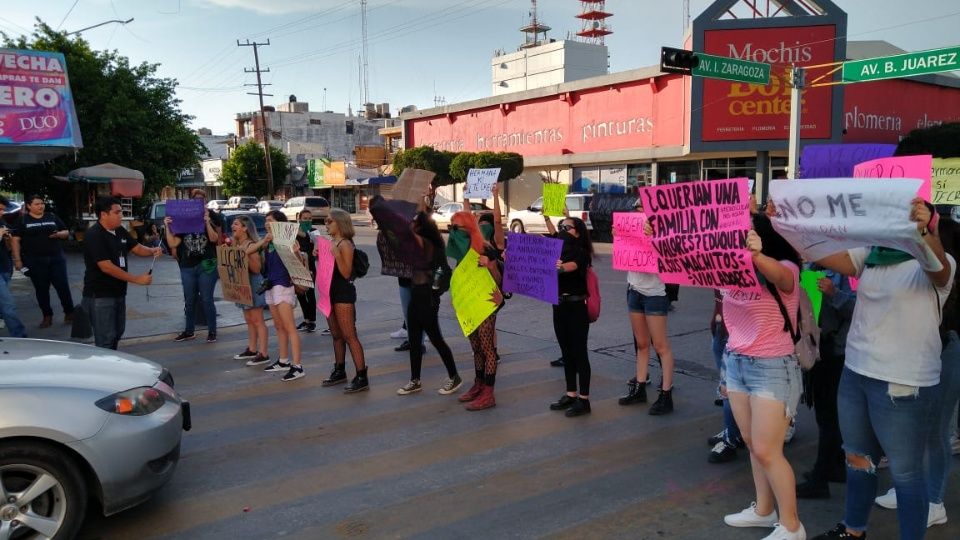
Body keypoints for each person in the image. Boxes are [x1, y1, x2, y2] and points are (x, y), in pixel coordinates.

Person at [782, 198, 953, 540]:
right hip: (856, 373)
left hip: (902, 383)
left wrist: (926, 230)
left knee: (906, 475)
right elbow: (821, 254)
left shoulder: (939, 262)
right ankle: (854, 530)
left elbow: (938, 268)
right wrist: (787, 220)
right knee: (858, 459)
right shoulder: (873, 255)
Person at [871, 205, 960, 530]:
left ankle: (934, 501)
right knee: (917, 430)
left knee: (938, 431)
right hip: (921, 358)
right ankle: (911, 487)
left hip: (947, 353)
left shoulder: (946, 273)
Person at [718, 212, 806, 540]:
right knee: (755, 444)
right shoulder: (728, 267)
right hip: (737, 361)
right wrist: (659, 236)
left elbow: (783, 278)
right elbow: (682, 260)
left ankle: (792, 525)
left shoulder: (786, 266)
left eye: (745, 233)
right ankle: (764, 510)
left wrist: (756, 255)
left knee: (769, 450)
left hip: (773, 366)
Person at [795, 267, 856, 499]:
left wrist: (834, 293)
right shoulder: (808, 267)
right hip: (815, 349)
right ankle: (835, 466)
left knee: (830, 415)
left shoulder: (847, 268)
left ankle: (821, 477)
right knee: (825, 413)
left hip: (836, 351)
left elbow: (858, 309)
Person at [615, 199, 676, 415]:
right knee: (641, 344)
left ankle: (666, 394)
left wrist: (653, 236)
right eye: (636, 211)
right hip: (634, 290)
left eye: (643, 211)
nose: (638, 214)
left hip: (655, 294)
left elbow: (671, 259)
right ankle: (640, 387)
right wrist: (620, 235)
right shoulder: (632, 229)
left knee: (660, 345)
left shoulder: (665, 235)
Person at [397, 195, 461, 396]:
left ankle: (454, 377)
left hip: (427, 296)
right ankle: (415, 380)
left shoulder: (426, 243)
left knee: (436, 338)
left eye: (415, 222)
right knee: (414, 340)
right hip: (416, 294)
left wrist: (413, 210)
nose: (412, 224)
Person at [81, 197, 161, 350]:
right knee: (105, 339)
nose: (121, 216)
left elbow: (136, 248)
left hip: (118, 292)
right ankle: (106, 370)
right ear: (104, 215)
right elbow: (106, 267)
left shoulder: (120, 230)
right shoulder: (94, 235)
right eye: (117, 212)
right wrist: (136, 279)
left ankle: (112, 365)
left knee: (117, 333)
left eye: (121, 212)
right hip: (100, 295)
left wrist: (152, 251)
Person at [447, 206, 504, 410]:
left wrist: (490, 265)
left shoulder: (486, 248)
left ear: (468, 228)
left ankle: (489, 393)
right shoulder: (462, 252)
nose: (453, 231)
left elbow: (499, 279)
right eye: (451, 227)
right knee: (476, 348)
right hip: (470, 304)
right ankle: (478, 385)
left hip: (486, 303)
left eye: (456, 227)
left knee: (488, 349)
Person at [544, 212, 594, 417]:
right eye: (561, 227)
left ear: (578, 233)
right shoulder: (556, 249)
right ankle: (570, 394)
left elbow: (571, 267)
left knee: (579, 352)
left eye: (567, 228)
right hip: (559, 306)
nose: (562, 231)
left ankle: (584, 399)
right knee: (566, 352)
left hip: (576, 308)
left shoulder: (581, 252)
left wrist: (560, 268)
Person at [246, 210, 305, 381]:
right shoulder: (268, 241)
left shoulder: (287, 239)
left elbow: (297, 262)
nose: (266, 223)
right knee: (279, 326)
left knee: (289, 327)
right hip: (271, 285)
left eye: (270, 220)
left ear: (279, 223)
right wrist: (264, 243)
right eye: (265, 220)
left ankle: (298, 365)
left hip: (283, 285)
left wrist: (296, 252)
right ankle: (283, 360)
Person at [318, 208, 369, 393]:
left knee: (349, 336)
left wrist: (336, 254)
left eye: (329, 221)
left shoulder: (345, 244)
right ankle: (339, 369)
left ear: (340, 223)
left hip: (343, 295)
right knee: (336, 335)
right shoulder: (332, 242)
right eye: (325, 221)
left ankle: (362, 375)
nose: (326, 224)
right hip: (329, 294)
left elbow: (346, 273)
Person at [164, 189, 223, 343]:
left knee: (206, 299)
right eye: (196, 200)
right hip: (187, 265)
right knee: (189, 300)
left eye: (201, 200)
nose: (199, 202)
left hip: (206, 264)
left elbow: (214, 238)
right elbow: (173, 243)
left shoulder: (212, 216)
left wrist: (206, 221)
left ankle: (212, 331)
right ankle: (189, 331)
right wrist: (167, 227)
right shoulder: (184, 217)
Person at [10, 194, 74, 328]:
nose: (41, 206)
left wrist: (59, 234)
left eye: (42, 203)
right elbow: (15, 240)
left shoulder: (52, 216)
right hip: (35, 260)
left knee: (63, 287)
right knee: (41, 290)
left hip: (56, 258)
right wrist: (17, 260)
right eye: (37, 204)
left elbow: (66, 232)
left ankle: (69, 313)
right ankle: (47, 316)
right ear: (29, 206)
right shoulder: (23, 220)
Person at [228, 215, 271, 367]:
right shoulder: (236, 243)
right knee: (249, 320)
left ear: (245, 228)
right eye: (233, 224)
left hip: (253, 283)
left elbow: (257, 269)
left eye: (236, 224)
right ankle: (252, 349)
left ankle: (264, 353)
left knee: (258, 319)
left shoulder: (251, 245)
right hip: (243, 284)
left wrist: (244, 256)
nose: (233, 226)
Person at [0, 196, 27, 337]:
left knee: (4, 304)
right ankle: (19, 335)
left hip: (5, 267)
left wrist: (8, 240)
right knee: (8, 305)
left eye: (3, 210)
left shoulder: (1, 221)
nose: (2, 212)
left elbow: (8, 247)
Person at [295, 209, 318, 333]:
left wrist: (299, 231)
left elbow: (316, 240)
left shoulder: (314, 231)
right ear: (299, 219)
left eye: (310, 218)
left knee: (310, 294)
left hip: (310, 267)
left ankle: (312, 321)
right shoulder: (293, 231)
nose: (308, 221)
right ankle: (306, 319)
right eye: (305, 218)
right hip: (297, 267)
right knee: (300, 294)